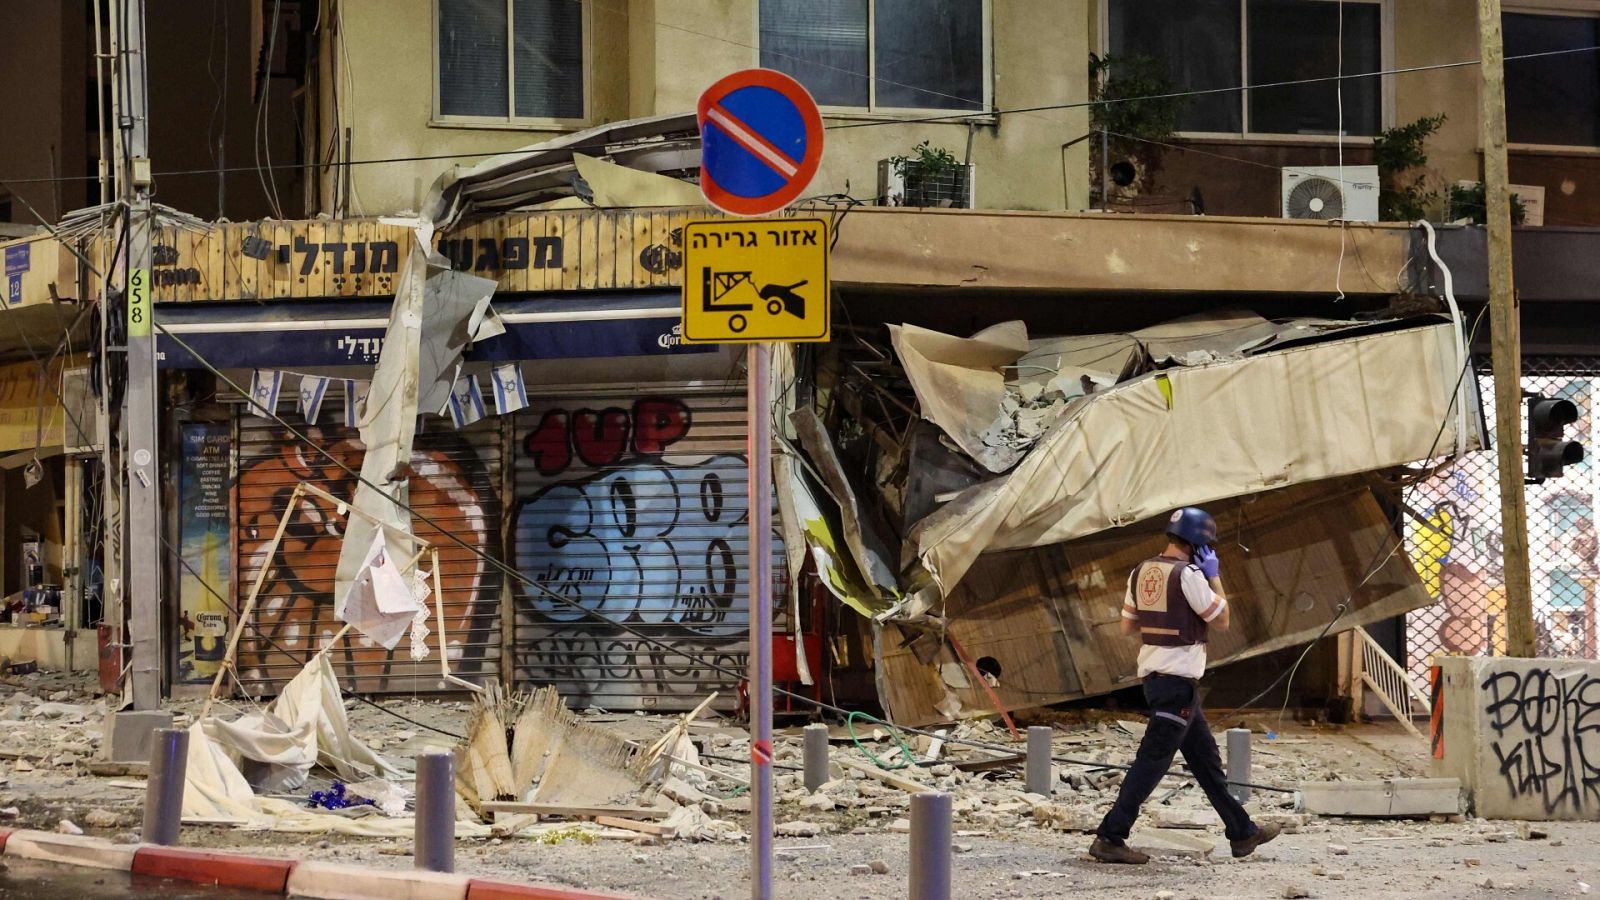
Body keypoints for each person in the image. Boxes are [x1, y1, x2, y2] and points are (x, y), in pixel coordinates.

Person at [1089, 506, 1280, 864]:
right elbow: (1222, 620)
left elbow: (1127, 626)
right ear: (1198, 543)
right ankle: (1110, 837)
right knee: (1151, 762)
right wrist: (1214, 577)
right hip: (1176, 683)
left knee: (1207, 762)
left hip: (1159, 680)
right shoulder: (1189, 575)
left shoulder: (1140, 571)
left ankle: (1242, 833)